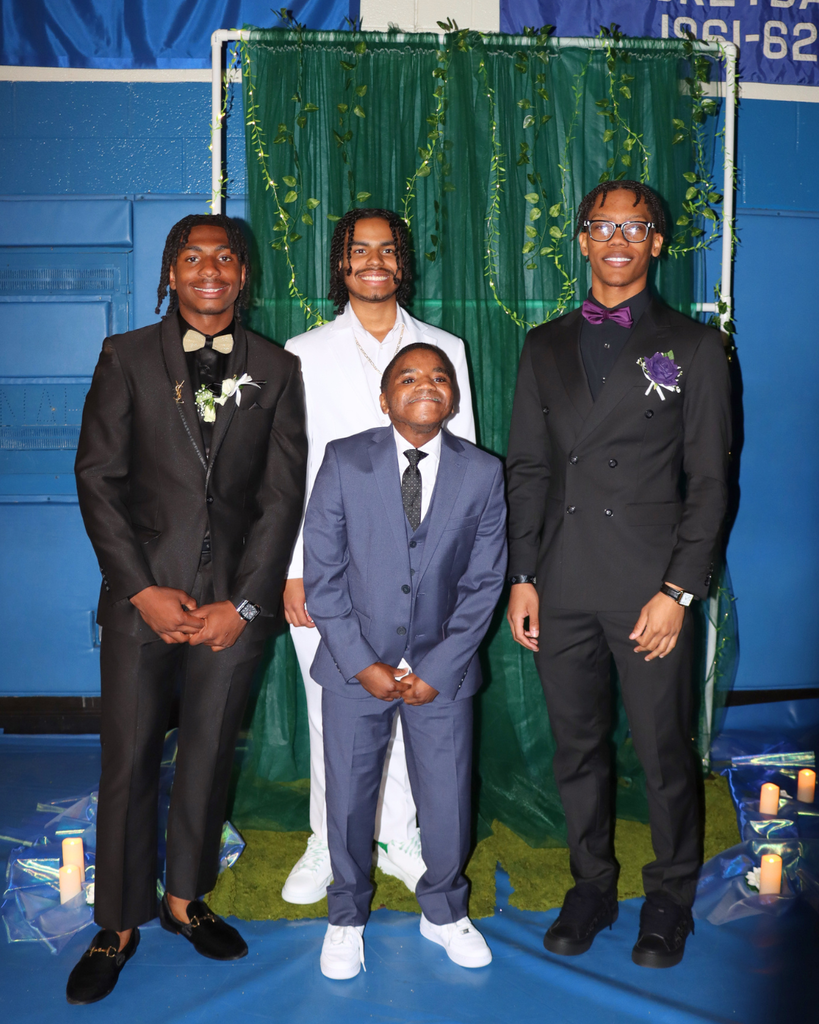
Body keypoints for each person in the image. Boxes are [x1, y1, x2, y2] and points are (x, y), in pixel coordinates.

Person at [68, 214, 307, 1004]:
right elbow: (97, 478)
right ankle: (119, 921)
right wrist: (139, 587)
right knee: (129, 759)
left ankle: (183, 902)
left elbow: (280, 499)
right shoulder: (126, 356)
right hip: (142, 600)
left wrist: (245, 602)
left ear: (245, 276)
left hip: (232, 611)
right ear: (171, 272)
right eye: (192, 257)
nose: (210, 270)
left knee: (207, 757)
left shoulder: (277, 368)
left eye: (226, 258)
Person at [505, 181, 731, 969]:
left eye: (634, 227)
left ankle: (668, 897)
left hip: (648, 592)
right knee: (576, 748)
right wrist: (522, 574)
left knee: (664, 750)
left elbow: (708, 482)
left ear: (656, 244)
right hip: (560, 584)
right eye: (602, 224)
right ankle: (591, 884)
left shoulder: (695, 348)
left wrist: (678, 591)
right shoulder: (543, 344)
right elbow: (528, 468)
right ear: (581, 239)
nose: (616, 238)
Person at [280, 209, 476, 904]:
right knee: (332, 705)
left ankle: (398, 835)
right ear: (341, 263)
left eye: (386, 250)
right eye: (358, 250)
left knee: (414, 693)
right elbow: (290, 471)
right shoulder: (300, 352)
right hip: (331, 570)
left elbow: (467, 467)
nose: (373, 260)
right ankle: (325, 841)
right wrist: (294, 566)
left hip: (424, 572)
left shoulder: (441, 345)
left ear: (402, 263)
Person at [303, 342, 506, 978]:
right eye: (409, 377)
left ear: (455, 396)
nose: (427, 385)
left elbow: (485, 581)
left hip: (442, 672)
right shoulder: (343, 461)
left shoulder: (483, 472)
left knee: (446, 796)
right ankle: (345, 916)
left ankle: (444, 911)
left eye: (440, 377)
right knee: (348, 797)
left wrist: (440, 669)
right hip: (352, 665)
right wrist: (361, 662)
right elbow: (323, 574)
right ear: (385, 397)